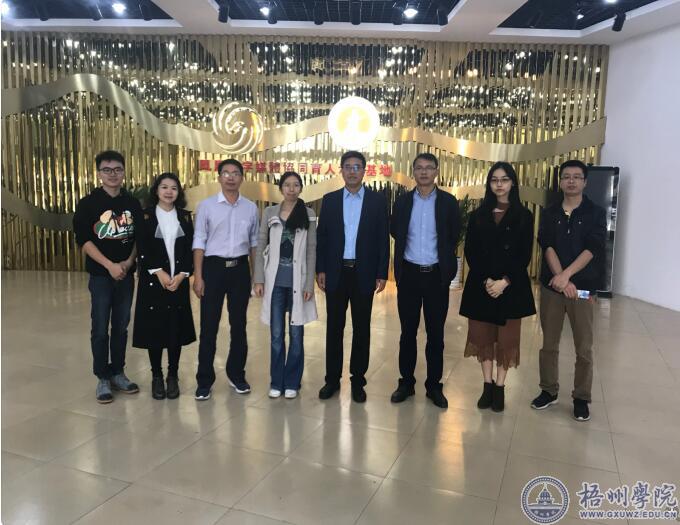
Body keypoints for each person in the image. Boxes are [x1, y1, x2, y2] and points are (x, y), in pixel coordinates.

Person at [531, 159, 606, 422]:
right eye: (566, 177)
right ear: (560, 181)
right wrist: (561, 279)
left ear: (585, 182)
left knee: (584, 347)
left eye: (576, 177)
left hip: (582, 290)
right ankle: (548, 390)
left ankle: (581, 398)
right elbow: (547, 245)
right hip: (553, 289)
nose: (571, 181)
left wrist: (566, 276)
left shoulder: (596, 213)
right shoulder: (550, 212)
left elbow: (592, 249)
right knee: (548, 344)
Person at [459, 162, 536, 413]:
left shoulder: (524, 216)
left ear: (512, 183)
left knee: (506, 340)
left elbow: (524, 254)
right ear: (489, 184)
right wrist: (487, 281)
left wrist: (504, 282)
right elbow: (471, 251)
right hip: (482, 286)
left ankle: (500, 386)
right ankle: (487, 384)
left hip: (510, 287)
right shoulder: (478, 215)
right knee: (483, 337)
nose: (499, 184)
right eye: (494, 180)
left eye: (504, 179)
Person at [316, 151, 389, 403]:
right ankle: (331, 380)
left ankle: (358, 381)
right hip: (336, 272)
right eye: (348, 166)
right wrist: (321, 269)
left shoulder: (377, 201)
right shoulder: (330, 200)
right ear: (341, 170)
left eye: (357, 167)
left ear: (364, 171)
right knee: (334, 328)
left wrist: (382, 272)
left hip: (363, 272)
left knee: (361, 328)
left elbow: (382, 239)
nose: (352, 171)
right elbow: (322, 237)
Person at [389, 153, 461, 409]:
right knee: (407, 332)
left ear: (436, 171)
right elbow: (395, 231)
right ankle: (406, 383)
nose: (424, 172)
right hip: (409, 275)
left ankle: (434, 385)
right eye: (419, 167)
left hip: (436, 277)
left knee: (436, 334)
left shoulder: (448, 202)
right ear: (413, 171)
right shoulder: (402, 202)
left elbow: (453, 235)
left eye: (429, 168)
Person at [73, 150, 142, 403]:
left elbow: (138, 238)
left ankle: (118, 372)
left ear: (124, 172)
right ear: (99, 173)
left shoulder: (132, 203)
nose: (113, 174)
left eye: (117, 169)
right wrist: (110, 265)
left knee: (121, 327)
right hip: (101, 276)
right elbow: (84, 241)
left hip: (126, 275)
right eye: (107, 170)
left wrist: (128, 262)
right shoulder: (88, 203)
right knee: (101, 327)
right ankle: (102, 376)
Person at [192, 159, 259, 401]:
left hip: (239, 270)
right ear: (219, 177)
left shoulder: (251, 208)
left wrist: (256, 276)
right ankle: (204, 380)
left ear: (242, 178)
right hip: (213, 269)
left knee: (239, 325)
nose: (231, 177)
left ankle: (236, 374)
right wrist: (198, 276)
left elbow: (254, 244)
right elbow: (199, 241)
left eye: (235, 173)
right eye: (226, 173)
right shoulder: (206, 206)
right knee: (209, 326)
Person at [253, 171, 318, 399]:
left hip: (298, 281)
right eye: (287, 185)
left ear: (301, 188)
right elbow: (261, 245)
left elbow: (311, 249)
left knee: (296, 335)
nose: (291, 189)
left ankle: (292, 382)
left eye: (296, 185)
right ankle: (276, 381)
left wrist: (309, 284)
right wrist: (259, 278)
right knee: (276, 335)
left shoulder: (308, 214)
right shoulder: (270, 213)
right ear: (281, 188)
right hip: (275, 282)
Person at [132, 173, 196, 400]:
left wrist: (182, 275)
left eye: (174, 188)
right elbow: (142, 246)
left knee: (175, 328)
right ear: (156, 190)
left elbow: (190, 248)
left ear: (179, 192)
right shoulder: (146, 215)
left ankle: (173, 375)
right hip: (153, 280)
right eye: (164, 187)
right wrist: (158, 271)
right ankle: (157, 375)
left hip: (178, 281)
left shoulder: (185, 217)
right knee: (155, 328)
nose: (169, 192)